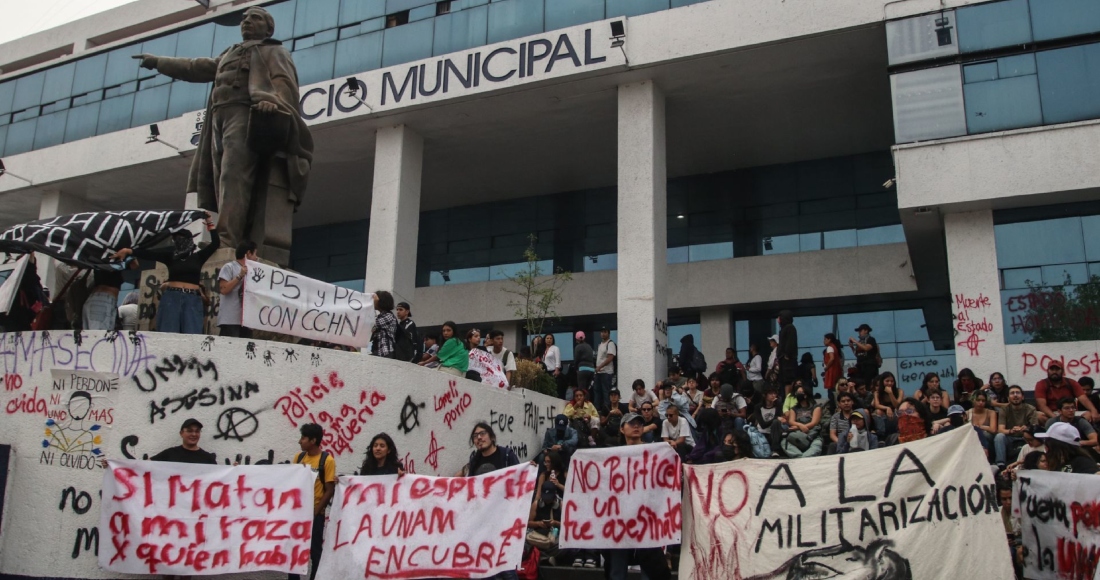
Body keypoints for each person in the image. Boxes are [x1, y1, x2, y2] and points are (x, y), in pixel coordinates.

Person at [133, 6, 314, 251]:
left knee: (233, 174)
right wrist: (158, 62)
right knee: (219, 180)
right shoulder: (230, 52)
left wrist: (272, 101)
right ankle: (231, 235)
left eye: (255, 18)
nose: (247, 21)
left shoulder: (274, 51)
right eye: (244, 18)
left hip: (246, 115)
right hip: (218, 119)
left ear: (268, 28)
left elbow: (285, 84)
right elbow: (196, 67)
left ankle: (227, 240)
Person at [111, 215, 218, 334]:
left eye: (181, 238)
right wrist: (129, 251)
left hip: (192, 298)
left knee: (192, 333)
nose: (178, 241)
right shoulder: (170, 256)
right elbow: (149, 254)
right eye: (176, 239)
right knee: (167, 332)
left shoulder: (198, 257)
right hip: (172, 297)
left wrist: (210, 223)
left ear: (189, 240)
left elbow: (215, 244)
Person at [606, 413, 672, 580]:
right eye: (631, 423)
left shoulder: (655, 453)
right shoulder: (611, 455)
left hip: (646, 518)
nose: (636, 426)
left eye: (639, 424)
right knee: (616, 569)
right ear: (622, 429)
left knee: (649, 568)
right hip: (619, 518)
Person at [291, 423, 335, 580]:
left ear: (313, 440)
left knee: (315, 552)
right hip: (298, 513)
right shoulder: (299, 457)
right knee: (294, 551)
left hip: (316, 515)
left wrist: (316, 512)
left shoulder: (327, 460)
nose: (299, 441)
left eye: (303, 438)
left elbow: (329, 490)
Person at [83, 257, 141, 330]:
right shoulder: (108, 258)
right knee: (100, 337)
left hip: (101, 300)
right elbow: (135, 264)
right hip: (102, 301)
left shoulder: (103, 259)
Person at [216, 240, 256, 338]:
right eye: (255, 254)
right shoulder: (229, 267)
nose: (256, 258)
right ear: (248, 254)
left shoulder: (253, 271)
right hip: (230, 320)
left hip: (246, 321)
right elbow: (224, 289)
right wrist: (239, 276)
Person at [1034, 360, 1098, 422]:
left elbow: (1083, 398)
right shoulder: (1041, 384)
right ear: (1047, 371)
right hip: (1051, 413)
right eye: (1052, 369)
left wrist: (1094, 411)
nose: (1054, 372)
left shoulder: (1071, 383)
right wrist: (1056, 418)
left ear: (1063, 371)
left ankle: (1074, 430)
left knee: (1088, 414)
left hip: (1069, 412)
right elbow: (1042, 406)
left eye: (1057, 369)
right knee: (1039, 416)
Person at [995, 385, 1038, 468]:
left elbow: (1035, 428)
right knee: (999, 437)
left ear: (1022, 397)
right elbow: (1000, 429)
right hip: (1010, 437)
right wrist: (1011, 431)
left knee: (1035, 437)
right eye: (1012, 393)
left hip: (1025, 437)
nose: (1015, 395)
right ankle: (1000, 464)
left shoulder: (1031, 409)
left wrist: (1026, 429)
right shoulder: (1004, 409)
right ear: (1008, 398)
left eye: (1018, 393)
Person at [150, 418, 218, 464]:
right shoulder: (170, 454)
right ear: (181, 433)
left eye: (197, 431)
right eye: (189, 431)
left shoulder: (208, 458)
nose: (194, 434)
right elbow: (146, 465)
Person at [781, 383, 822, 458]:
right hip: (797, 435)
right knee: (784, 442)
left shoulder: (816, 407)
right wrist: (800, 426)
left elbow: (814, 422)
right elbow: (791, 421)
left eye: (801, 392)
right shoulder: (794, 409)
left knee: (817, 445)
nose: (798, 394)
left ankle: (804, 457)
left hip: (812, 435)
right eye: (797, 392)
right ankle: (800, 457)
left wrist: (799, 427)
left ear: (806, 395)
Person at [749, 387, 787, 454]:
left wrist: (778, 404)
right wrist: (776, 418)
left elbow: (778, 420)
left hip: (774, 433)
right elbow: (763, 425)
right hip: (762, 433)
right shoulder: (758, 407)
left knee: (776, 422)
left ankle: (775, 450)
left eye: (774, 393)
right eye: (770, 393)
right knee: (775, 420)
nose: (773, 395)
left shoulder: (778, 405)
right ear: (765, 395)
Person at [968, 391, 1000, 465]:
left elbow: (993, 429)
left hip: (989, 440)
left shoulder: (991, 413)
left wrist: (979, 427)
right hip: (973, 440)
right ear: (973, 400)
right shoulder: (968, 413)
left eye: (983, 401)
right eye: (978, 400)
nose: (981, 402)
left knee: (984, 434)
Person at [871, 372, 903, 436]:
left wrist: (890, 393)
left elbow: (897, 405)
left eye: (892, 381)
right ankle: (881, 435)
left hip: (895, 414)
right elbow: (877, 405)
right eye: (887, 381)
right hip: (884, 415)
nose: (890, 383)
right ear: (882, 381)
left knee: (899, 411)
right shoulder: (877, 393)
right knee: (878, 411)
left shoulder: (899, 391)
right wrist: (887, 408)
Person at [593, 327, 616, 411]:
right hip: (598, 372)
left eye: (605, 332)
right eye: (602, 332)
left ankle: (606, 410)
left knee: (606, 392)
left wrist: (600, 366)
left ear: (608, 333)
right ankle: (597, 409)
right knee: (597, 391)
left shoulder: (610, 343)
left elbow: (610, 358)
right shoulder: (600, 344)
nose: (603, 334)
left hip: (606, 372)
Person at [370, 290, 397, 358]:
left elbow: (372, 324)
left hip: (385, 352)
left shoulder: (389, 316)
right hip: (379, 351)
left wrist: (370, 307)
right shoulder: (381, 316)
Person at [776, 310, 798, 387]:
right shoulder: (783, 329)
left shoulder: (790, 328)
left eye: (779, 317)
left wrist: (787, 355)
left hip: (787, 361)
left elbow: (790, 342)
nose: (777, 319)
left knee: (788, 380)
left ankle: (789, 396)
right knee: (784, 380)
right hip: (782, 359)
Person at [573, 331, 595, 398]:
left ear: (576, 339)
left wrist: (576, 368)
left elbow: (576, 359)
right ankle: (587, 403)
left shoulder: (578, 347)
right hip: (591, 369)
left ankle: (582, 405)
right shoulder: (589, 347)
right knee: (587, 390)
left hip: (582, 369)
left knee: (581, 389)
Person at [822, 333, 844, 400]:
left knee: (831, 389)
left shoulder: (830, 347)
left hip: (831, 371)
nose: (824, 341)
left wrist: (826, 367)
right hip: (835, 371)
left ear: (829, 339)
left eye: (825, 339)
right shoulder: (834, 347)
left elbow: (832, 358)